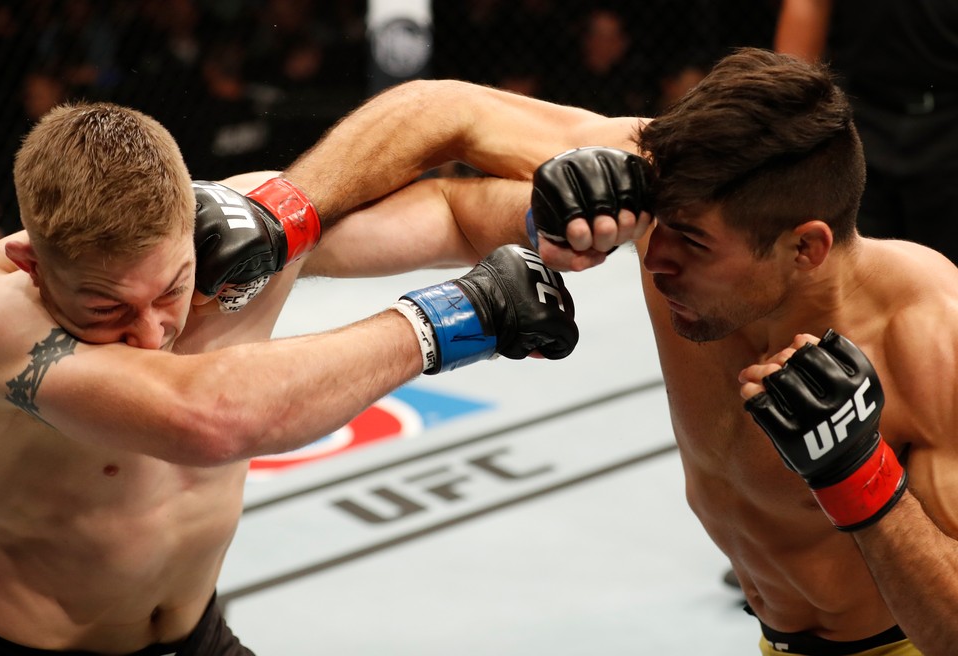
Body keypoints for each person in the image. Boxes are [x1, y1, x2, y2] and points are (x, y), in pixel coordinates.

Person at [0, 82, 630, 653]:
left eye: (170, 289)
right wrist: (453, 317)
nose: (150, 334)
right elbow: (208, 417)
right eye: (107, 307)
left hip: (197, 632)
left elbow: (447, 213)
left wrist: (548, 216)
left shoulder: (238, 237)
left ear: (190, 224)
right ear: (34, 263)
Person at [344, 48, 958, 655]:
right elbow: (442, 112)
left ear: (804, 249)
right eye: (658, 223)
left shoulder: (927, 340)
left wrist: (860, 477)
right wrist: (273, 220)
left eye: (691, 241)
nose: (655, 257)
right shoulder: (678, 205)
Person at [774, 0, 958, 265]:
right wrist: (790, 110)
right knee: (854, 268)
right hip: (859, 114)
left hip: (949, 118)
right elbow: (810, 4)